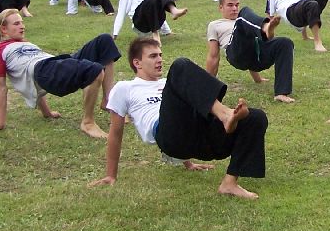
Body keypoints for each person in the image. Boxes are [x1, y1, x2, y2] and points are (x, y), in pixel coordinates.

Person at [90, 36, 267, 199]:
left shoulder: (171, 82)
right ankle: (225, 115)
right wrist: (110, 175)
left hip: (199, 138)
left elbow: (184, 113)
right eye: (153, 56)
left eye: (160, 55)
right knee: (180, 66)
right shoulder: (125, 88)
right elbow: (115, 133)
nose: (160, 59)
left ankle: (229, 183)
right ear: (137, 63)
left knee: (255, 117)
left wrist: (188, 163)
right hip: (168, 136)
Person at [0, 8, 119, 137]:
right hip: (44, 68)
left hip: (53, 62)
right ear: (3, 29)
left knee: (105, 40)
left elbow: (36, 83)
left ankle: (108, 101)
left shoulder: (25, 43)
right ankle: (88, 123)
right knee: (95, 70)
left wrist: (47, 113)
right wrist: (0, 123)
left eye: (22, 22)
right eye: (16, 24)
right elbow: (1, 86)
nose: (22, 26)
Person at [207, 0, 295, 103]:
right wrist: (207, 85)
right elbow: (213, 56)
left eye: (237, 5)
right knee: (243, 15)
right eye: (230, 5)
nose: (235, 8)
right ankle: (265, 28)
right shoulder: (215, 25)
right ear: (221, 7)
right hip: (236, 53)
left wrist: (258, 79)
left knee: (285, 43)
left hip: (256, 55)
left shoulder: (246, 20)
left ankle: (281, 93)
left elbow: (251, 44)